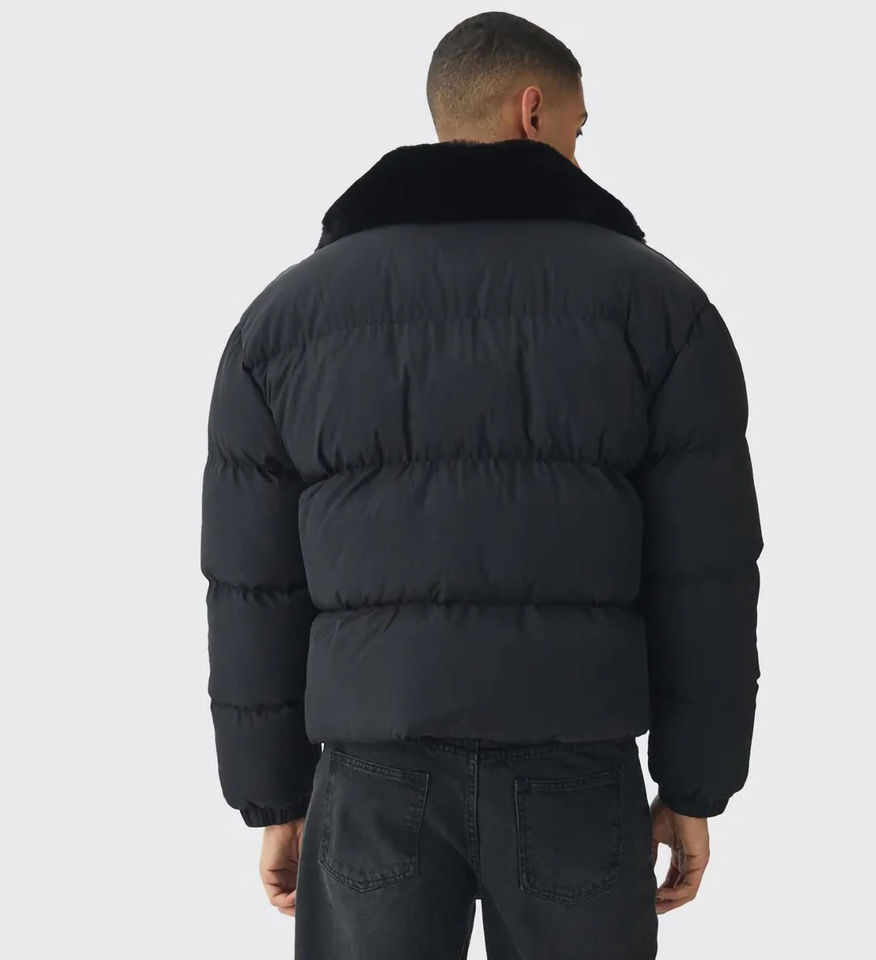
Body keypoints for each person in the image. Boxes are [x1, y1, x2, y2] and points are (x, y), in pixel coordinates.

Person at [200, 11, 763, 959]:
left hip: (372, 773)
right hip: (575, 767)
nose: (580, 153)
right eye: (579, 129)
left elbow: (252, 583)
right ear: (533, 111)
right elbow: (706, 572)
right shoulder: (660, 307)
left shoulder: (283, 321)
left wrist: (274, 794)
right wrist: (694, 784)